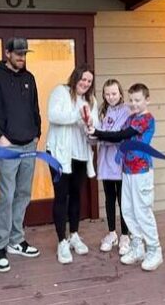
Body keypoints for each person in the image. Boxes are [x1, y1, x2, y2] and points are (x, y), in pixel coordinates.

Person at [0, 37, 42, 272]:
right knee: (6, 195)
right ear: (7, 53)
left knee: (23, 194)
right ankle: (0, 247)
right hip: (7, 147)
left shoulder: (29, 78)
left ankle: (16, 240)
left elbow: (35, 109)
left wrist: (37, 133)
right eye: (18, 54)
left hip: (29, 146)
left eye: (25, 54)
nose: (22, 58)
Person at [88, 83, 163, 272]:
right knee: (128, 210)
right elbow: (115, 135)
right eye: (131, 100)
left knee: (142, 210)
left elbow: (123, 134)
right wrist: (94, 131)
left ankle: (154, 250)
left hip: (142, 171)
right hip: (127, 171)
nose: (134, 104)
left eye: (138, 100)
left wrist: (97, 132)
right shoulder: (130, 118)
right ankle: (137, 247)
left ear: (147, 100)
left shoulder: (145, 119)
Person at [46, 64, 98, 264]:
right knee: (61, 195)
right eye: (83, 79)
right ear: (75, 77)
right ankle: (62, 241)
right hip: (59, 154)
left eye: (89, 81)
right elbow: (53, 115)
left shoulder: (91, 100)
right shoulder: (61, 92)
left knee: (76, 195)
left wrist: (91, 127)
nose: (85, 83)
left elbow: (95, 129)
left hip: (80, 154)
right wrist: (77, 116)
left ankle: (74, 234)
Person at [97, 79, 132, 254]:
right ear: (103, 95)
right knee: (109, 198)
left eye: (114, 93)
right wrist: (99, 134)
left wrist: (100, 135)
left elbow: (117, 134)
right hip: (105, 161)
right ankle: (112, 233)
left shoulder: (126, 111)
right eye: (107, 94)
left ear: (120, 94)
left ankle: (125, 235)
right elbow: (97, 134)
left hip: (120, 161)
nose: (111, 97)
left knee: (122, 199)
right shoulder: (102, 111)